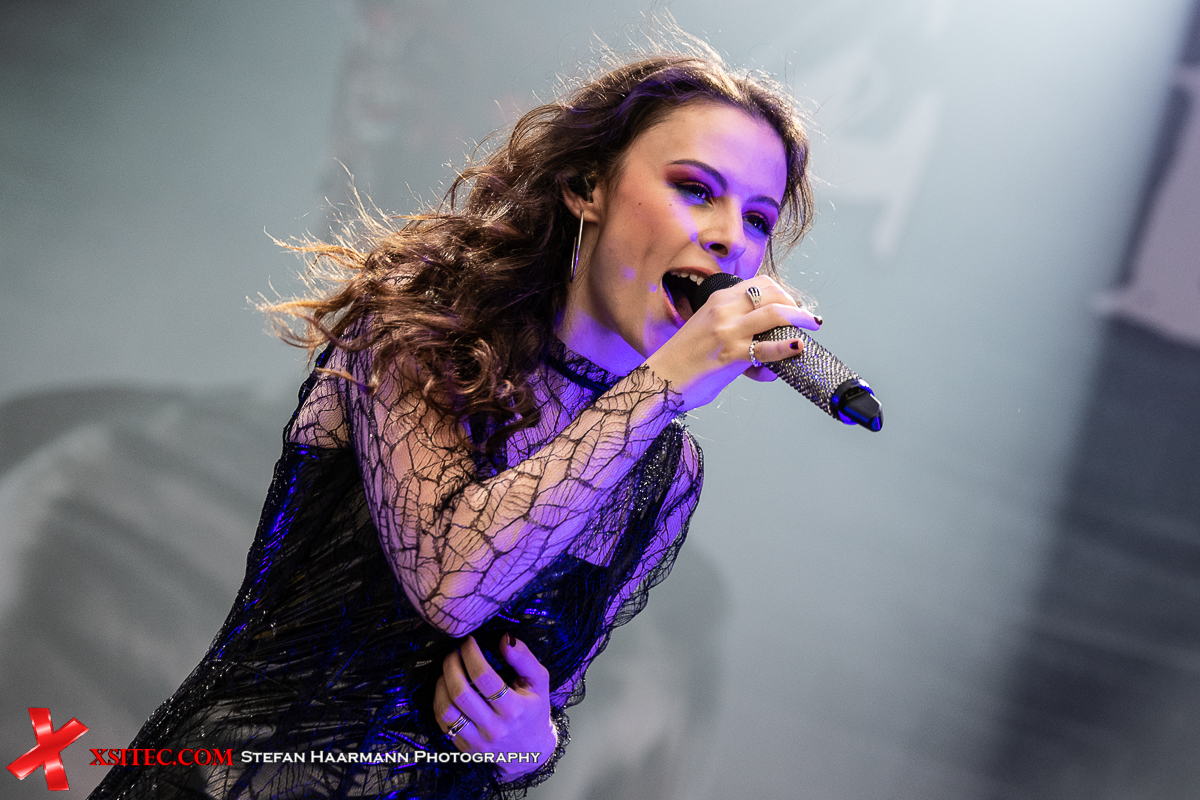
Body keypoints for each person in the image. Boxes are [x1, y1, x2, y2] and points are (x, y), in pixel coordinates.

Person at [88, 43, 821, 800]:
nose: (731, 238)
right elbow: (449, 582)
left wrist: (530, 746)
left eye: (757, 218)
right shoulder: (416, 329)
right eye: (696, 189)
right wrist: (663, 384)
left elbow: (541, 695)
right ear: (586, 186)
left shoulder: (662, 473)